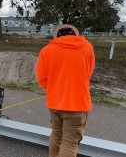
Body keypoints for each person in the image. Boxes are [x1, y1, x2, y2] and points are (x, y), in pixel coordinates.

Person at [35, 24, 95, 157]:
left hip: (55, 102)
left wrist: (54, 88)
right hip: (78, 104)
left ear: (57, 35)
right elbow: (88, 72)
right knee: (70, 142)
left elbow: (42, 77)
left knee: (56, 134)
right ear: (75, 34)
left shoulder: (46, 50)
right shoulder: (87, 47)